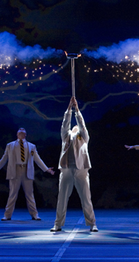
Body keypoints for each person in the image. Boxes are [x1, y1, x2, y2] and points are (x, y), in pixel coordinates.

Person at [50, 97, 98, 232]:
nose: (75, 127)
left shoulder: (84, 137)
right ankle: (57, 224)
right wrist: (69, 110)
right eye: (73, 127)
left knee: (86, 198)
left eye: (76, 127)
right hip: (66, 169)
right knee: (62, 198)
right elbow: (65, 124)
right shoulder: (66, 136)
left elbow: (82, 125)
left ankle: (92, 223)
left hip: (81, 169)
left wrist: (77, 110)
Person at [0, 128, 55, 221]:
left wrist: (47, 169)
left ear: (25, 135)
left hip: (26, 170)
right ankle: (7, 215)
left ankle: (34, 214)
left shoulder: (31, 146)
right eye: (19, 132)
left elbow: (37, 159)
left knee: (29, 194)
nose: (21, 134)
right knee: (12, 194)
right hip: (15, 170)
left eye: (23, 133)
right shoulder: (10, 145)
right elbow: (4, 158)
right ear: (17, 134)